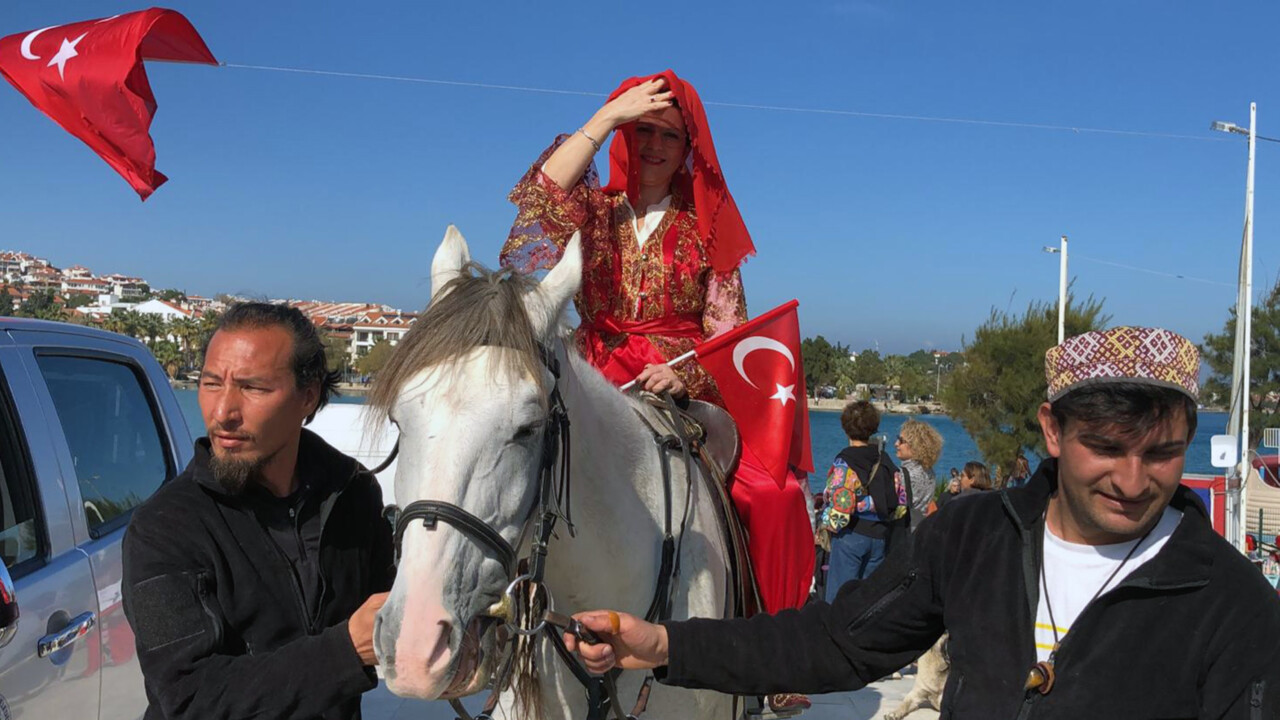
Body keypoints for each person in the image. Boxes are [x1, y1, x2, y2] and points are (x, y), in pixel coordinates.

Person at [563, 326, 1280, 718]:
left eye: (1162, 454)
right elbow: (838, 645)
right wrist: (661, 642)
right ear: (1052, 432)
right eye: (1106, 448)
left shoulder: (1236, 607)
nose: (1132, 480)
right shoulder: (974, 537)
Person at [501, 70, 814, 708]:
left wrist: (688, 370)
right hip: (588, 374)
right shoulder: (593, 210)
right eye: (643, 128)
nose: (653, 144)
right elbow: (534, 212)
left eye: (669, 134)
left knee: (773, 494)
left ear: (688, 147)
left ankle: (765, 658)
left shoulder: (708, 227)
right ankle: (489, 631)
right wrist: (604, 116)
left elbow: (727, 330)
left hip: (674, 382)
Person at [122, 303, 395, 720]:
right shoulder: (161, 529)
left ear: (309, 395)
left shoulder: (355, 494)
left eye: (253, 388)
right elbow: (188, 697)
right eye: (211, 383)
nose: (222, 413)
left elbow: (393, 612)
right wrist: (345, 651)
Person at [818, 401, 905, 602]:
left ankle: (835, 632)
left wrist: (826, 525)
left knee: (839, 600)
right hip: (879, 537)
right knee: (867, 600)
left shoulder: (845, 462)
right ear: (874, 427)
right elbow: (899, 502)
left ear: (845, 428)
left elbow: (841, 505)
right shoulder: (885, 460)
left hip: (851, 536)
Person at [894, 419, 943, 527]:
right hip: (921, 527)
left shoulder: (903, 474)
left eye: (901, 440)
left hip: (905, 529)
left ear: (915, 445)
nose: (896, 444)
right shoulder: (929, 472)